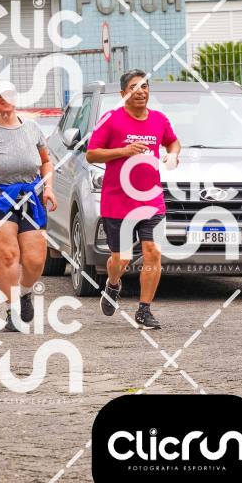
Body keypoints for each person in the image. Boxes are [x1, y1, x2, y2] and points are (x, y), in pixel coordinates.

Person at [86, 69, 181, 329]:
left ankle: (144, 310)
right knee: (122, 259)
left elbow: (173, 142)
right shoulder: (111, 119)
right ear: (123, 93)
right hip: (117, 201)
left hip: (151, 200)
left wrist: (172, 155)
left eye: (144, 86)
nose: (140, 92)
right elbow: (91, 154)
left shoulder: (159, 119)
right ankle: (113, 283)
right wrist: (123, 151)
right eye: (134, 87)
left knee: (153, 252)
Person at [0, 80, 57, 332]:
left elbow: (46, 162)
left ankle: (25, 292)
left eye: (9, 95)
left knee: (35, 260)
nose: (5, 100)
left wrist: (48, 187)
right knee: (8, 256)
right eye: (0, 96)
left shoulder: (32, 127)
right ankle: (12, 309)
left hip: (30, 197)